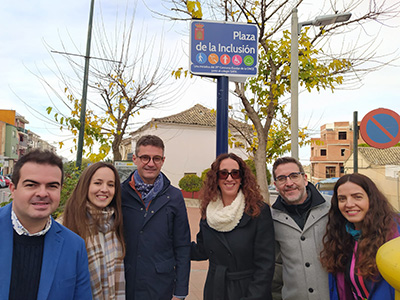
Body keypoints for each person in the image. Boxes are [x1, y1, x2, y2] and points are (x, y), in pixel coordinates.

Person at [0, 149, 92, 299]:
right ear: (13, 189)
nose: (42, 193)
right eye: (31, 185)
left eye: (52, 186)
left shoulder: (74, 247)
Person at [191, 153, 275, 300]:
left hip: (248, 291)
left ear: (242, 178)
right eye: (223, 174)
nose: (229, 178)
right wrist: (172, 245)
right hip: (215, 289)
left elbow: (265, 265)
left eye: (235, 173)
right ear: (216, 178)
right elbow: (202, 250)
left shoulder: (258, 211)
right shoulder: (209, 211)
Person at [121, 135, 191, 300]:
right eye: (145, 157)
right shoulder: (120, 193)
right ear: (135, 159)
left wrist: (180, 292)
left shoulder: (174, 196)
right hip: (125, 284)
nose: (151, 163)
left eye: (156, 158)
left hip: (161, 287)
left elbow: (182, 246)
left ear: (163, 160)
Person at [320, 173, 400, 299]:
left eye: (357, 197)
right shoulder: (341, 237)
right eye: (342, 199)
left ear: (371, 200)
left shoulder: (394, 235)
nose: (349, 204)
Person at [63, 162, 126, 299]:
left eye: (110, 184)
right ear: (85, 186)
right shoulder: (66, 225)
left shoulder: (115, 223)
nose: (104, 189)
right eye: (98, 183)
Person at [271, 156, 330, 300]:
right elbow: (276, 268)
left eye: (294, 176)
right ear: (275, 185)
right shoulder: (271, 219)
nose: (289, 183)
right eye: (282, 178)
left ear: (304, 178)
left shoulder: (332, 208)